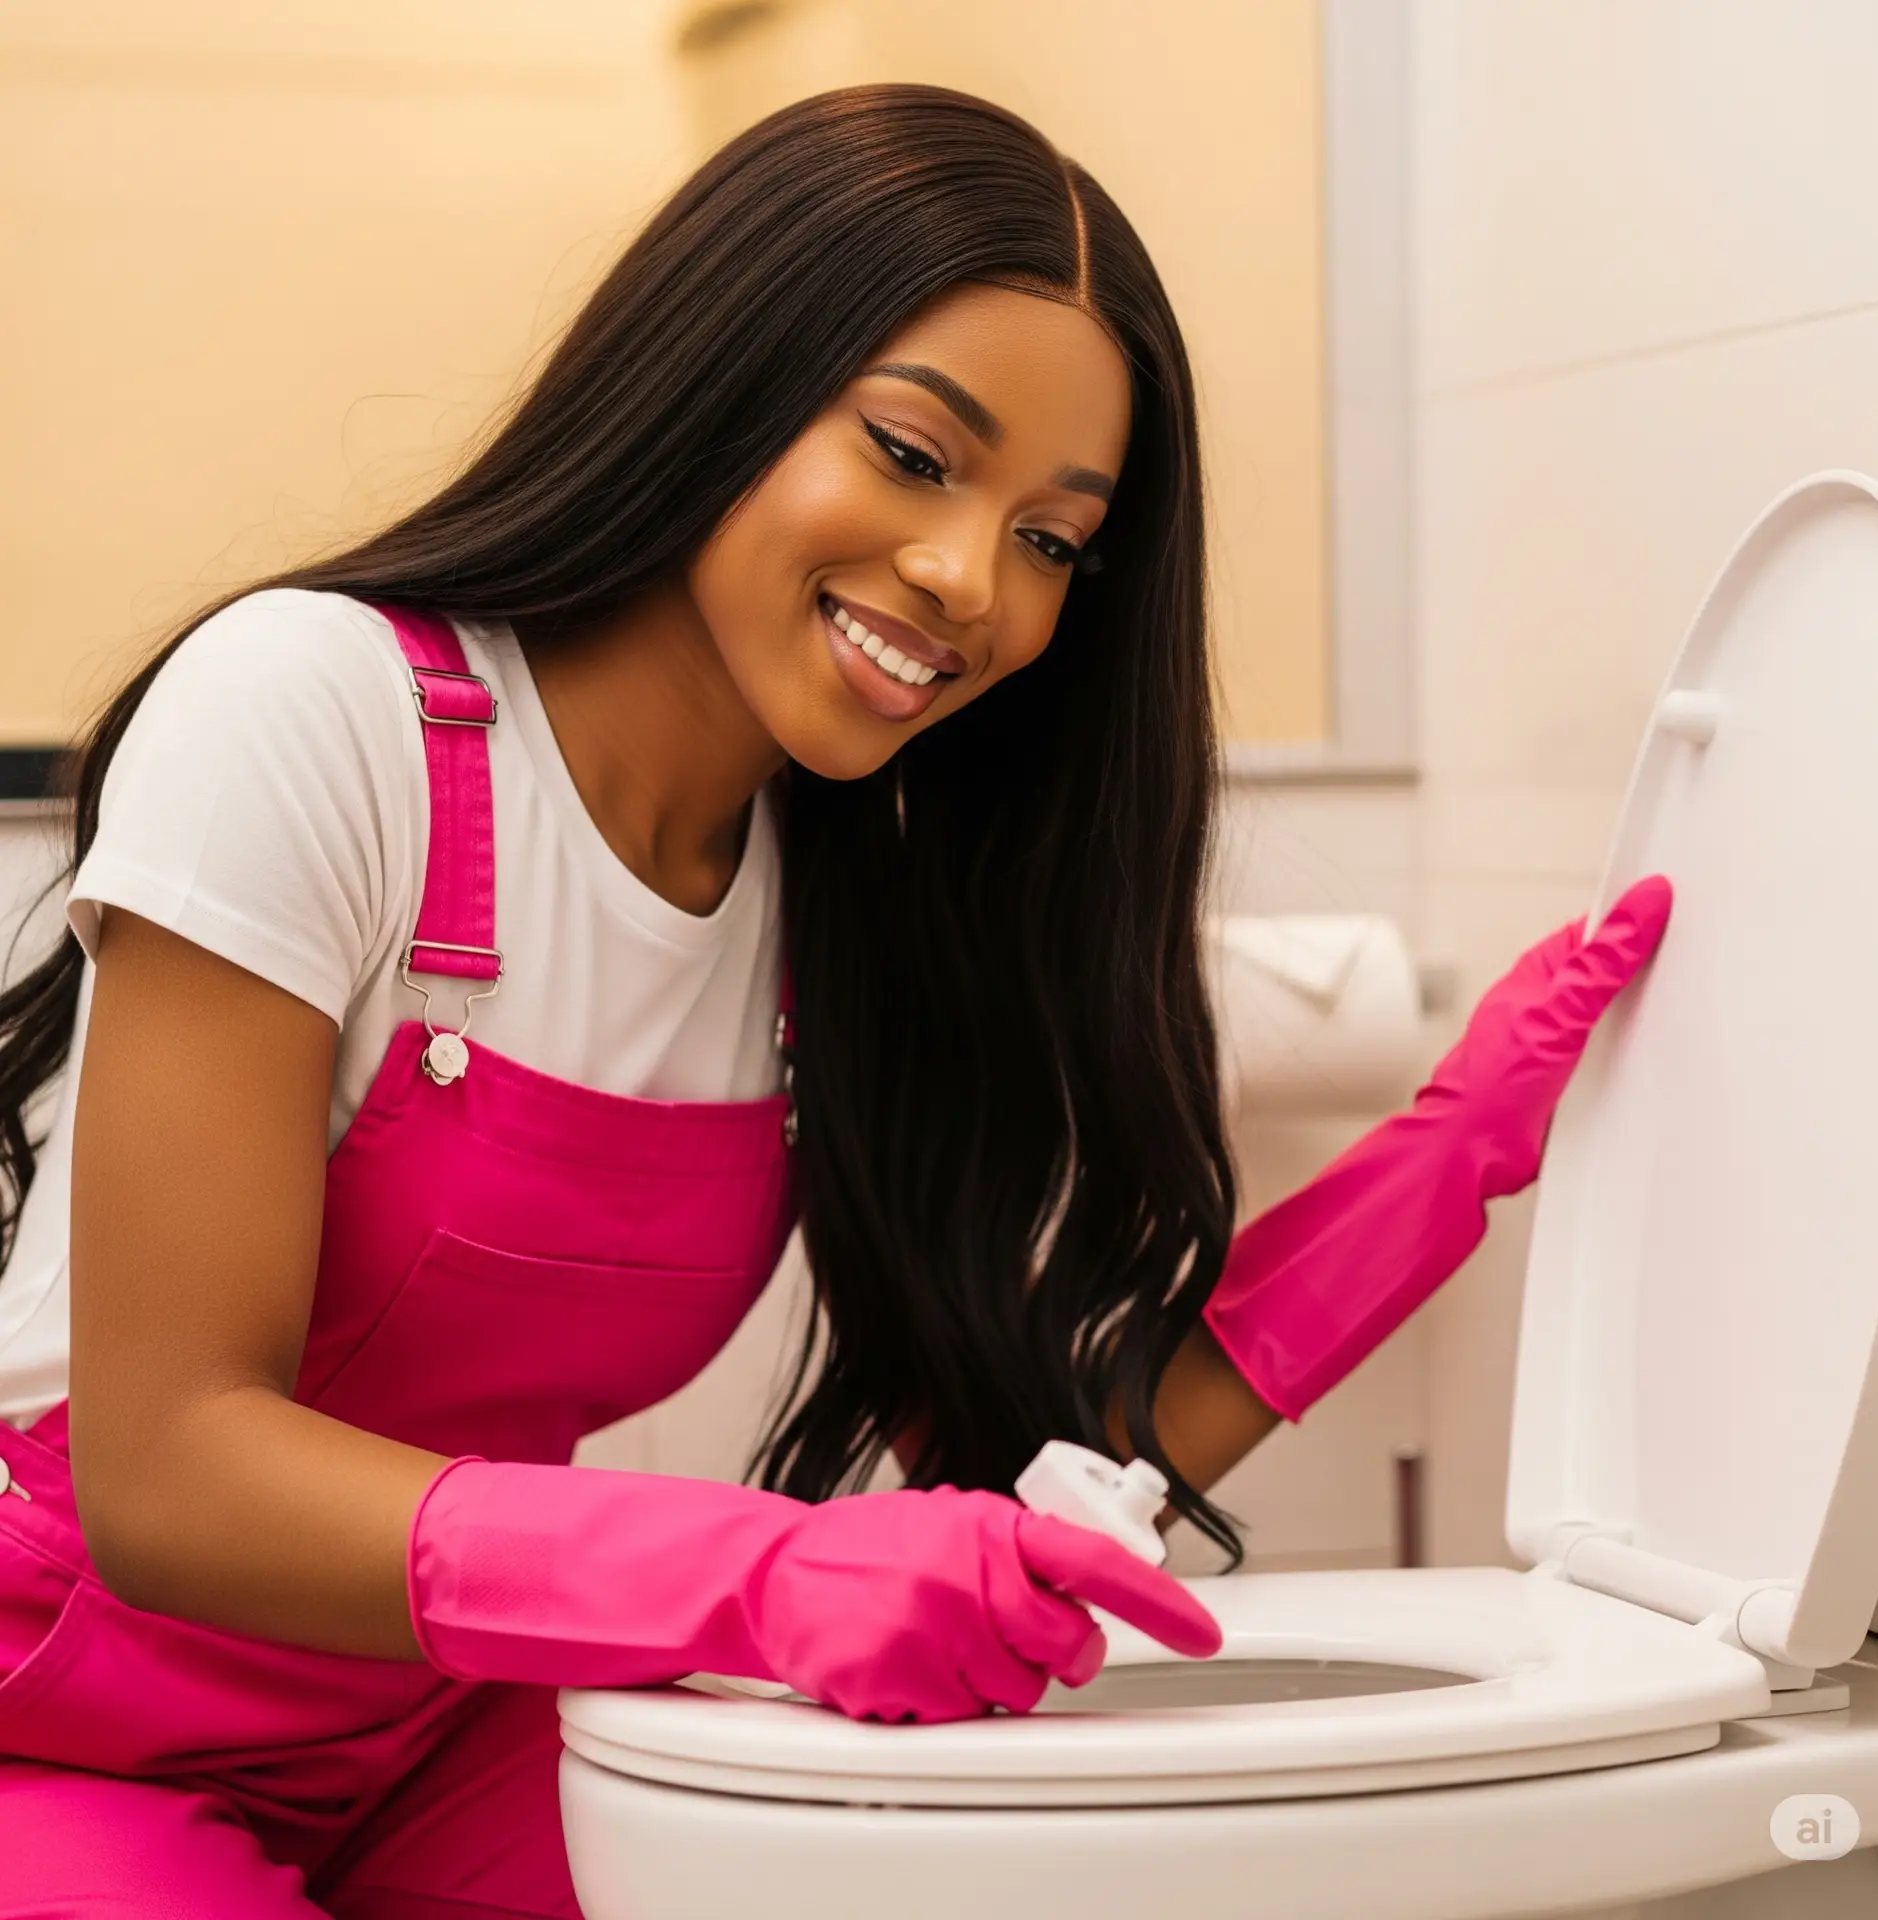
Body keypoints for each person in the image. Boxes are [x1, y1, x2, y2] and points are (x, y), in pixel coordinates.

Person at [0, 83, 1669, 1920]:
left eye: (1051, 539)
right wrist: (760, 1570)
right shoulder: (316, 711)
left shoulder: (843, 896)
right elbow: (166, 1473)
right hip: (55, 1727)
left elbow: (1056, 1485)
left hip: (450, 1718)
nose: (968, 582)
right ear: (723, 375)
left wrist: (1449, 1161)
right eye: (911, 452)